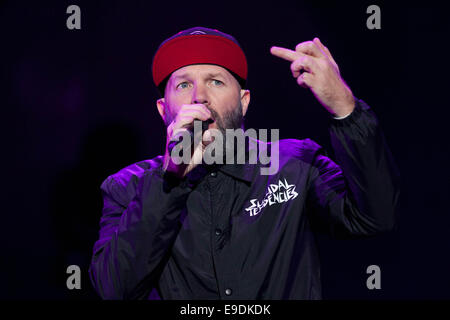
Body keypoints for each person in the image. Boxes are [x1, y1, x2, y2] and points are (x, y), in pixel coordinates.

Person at [88, 26, 400, 300]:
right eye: (183, 84)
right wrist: (168, 181)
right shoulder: (127, 186)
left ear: (244, 101)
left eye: (216, 81)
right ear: (162, 109)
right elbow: (115, 289)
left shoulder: (292, 163)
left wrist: (344, 107)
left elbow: (375, 216)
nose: (199, 96)